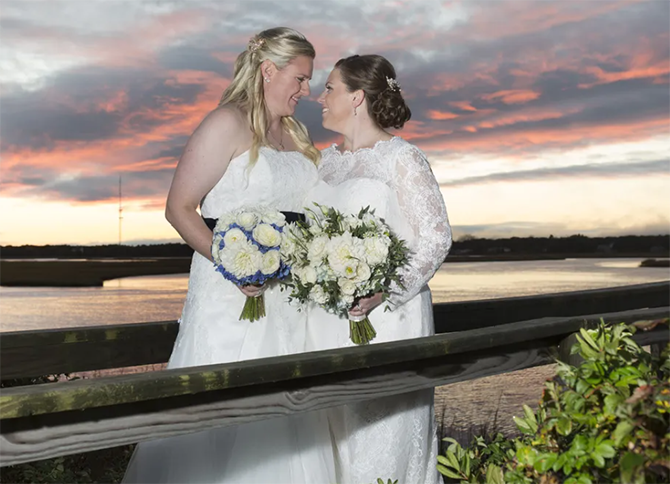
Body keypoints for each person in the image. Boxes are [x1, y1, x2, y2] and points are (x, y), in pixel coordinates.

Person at [122, 27, 335, 484]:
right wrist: (233, 263)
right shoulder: (226, 123)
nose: (306, 90)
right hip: (231, 296)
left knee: (287, 415)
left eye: (310, 81)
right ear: (268, 70)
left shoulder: (296, 135)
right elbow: (178, 208)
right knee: (224, 418)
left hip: (292, 301)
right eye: (299, 79)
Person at [306, 54, 452, 484]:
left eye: (329, 88)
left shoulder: (401, 158)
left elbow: (436, 237)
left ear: (356, 97)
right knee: (333, 435)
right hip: (326, 317)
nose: (320, 97)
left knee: (382, 432)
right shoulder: (323, 163)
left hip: (388, 315)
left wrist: (385, 289)